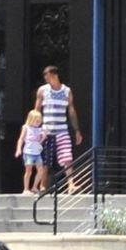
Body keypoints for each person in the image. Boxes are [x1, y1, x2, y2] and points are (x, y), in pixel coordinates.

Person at [32, 63, 83, 195]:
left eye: (48, 76)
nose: (46, 79)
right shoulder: (42, 90)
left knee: (67, 157)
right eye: (45, 77)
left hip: (62, 129)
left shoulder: (66, 91)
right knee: (45, 160)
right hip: (46, 130)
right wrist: (33, 130)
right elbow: (36, 111)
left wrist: (76, 130)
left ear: (55, 75)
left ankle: (71, 184)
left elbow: (71, 111)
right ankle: (43, 186)